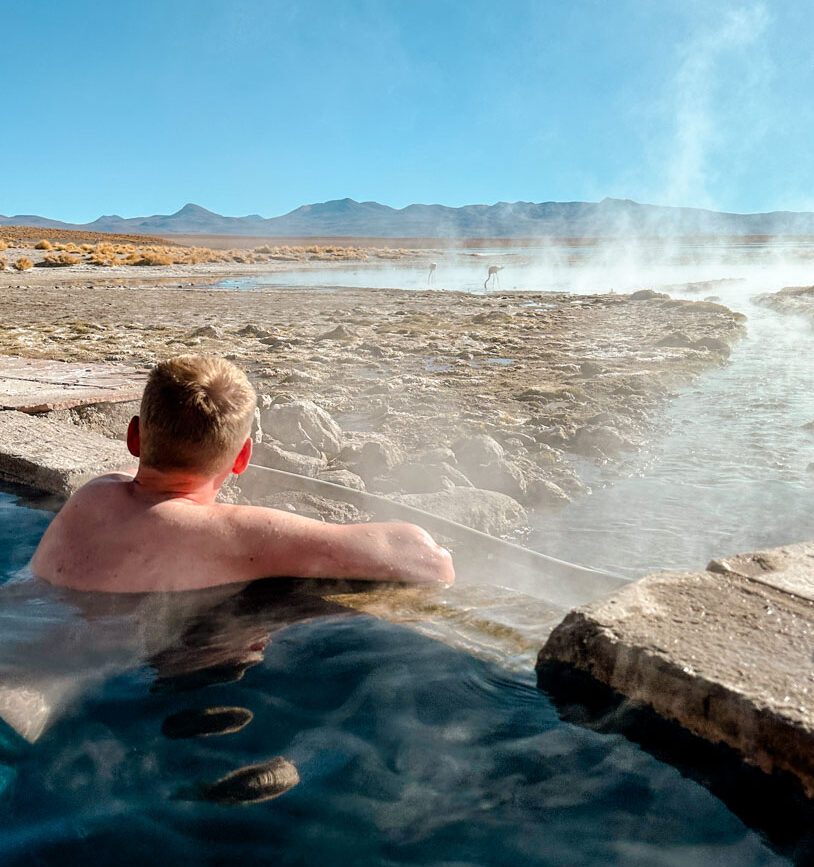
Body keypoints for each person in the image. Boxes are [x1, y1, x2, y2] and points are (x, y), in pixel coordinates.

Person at [32, 355, 455, 593]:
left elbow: (135, 476)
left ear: (134, 437)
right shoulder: (227, 533)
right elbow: (425, 560)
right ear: (242, 458)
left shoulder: (93, 495)